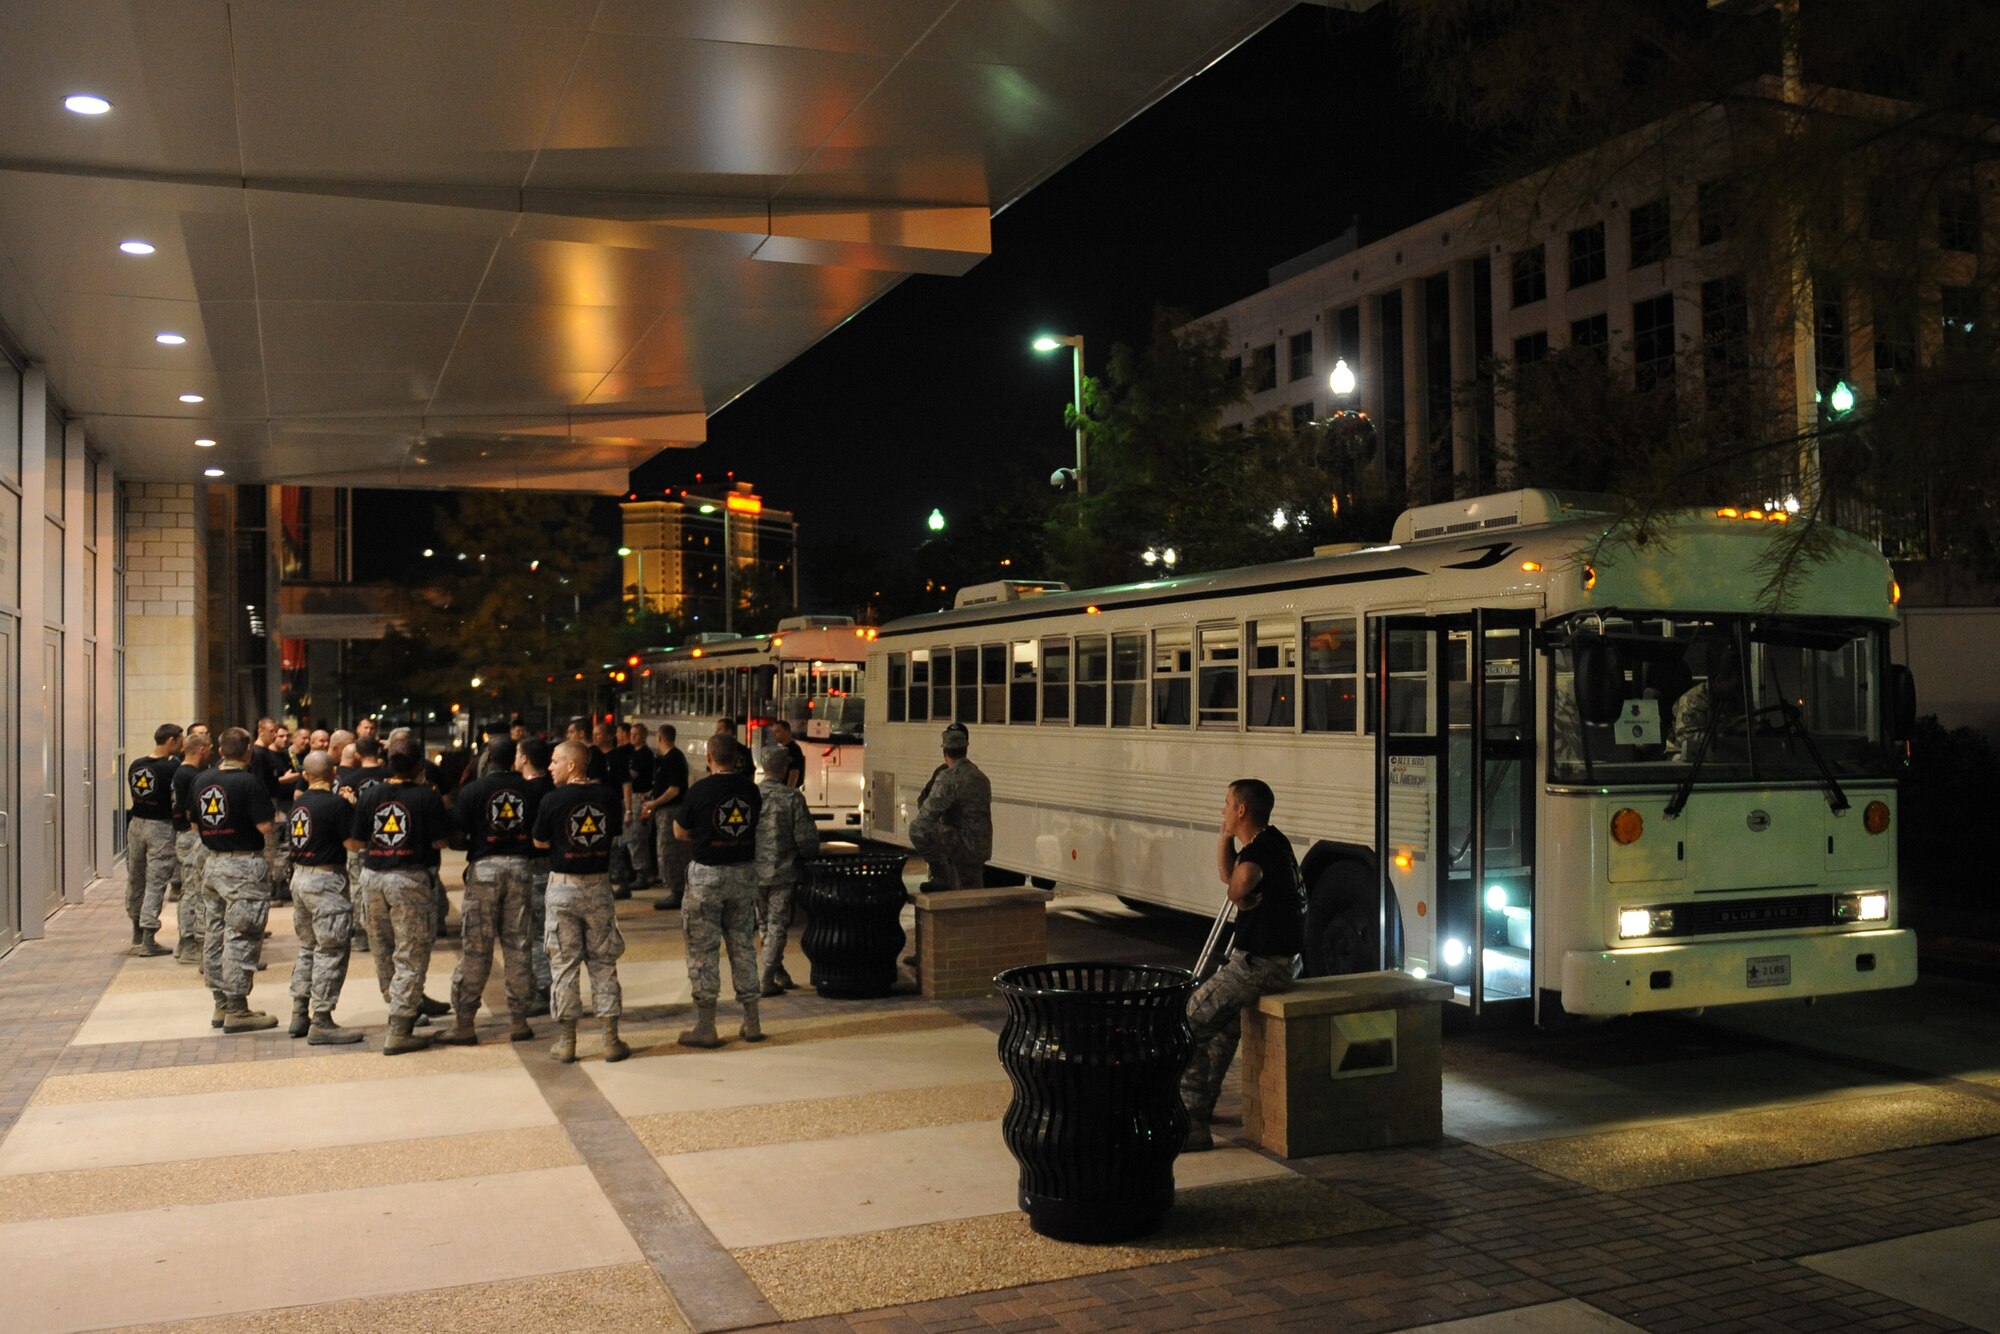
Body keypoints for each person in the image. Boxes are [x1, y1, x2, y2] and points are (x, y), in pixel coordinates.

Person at [1179, 778, 1303, 1151]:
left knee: (1188, 1022)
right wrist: (1224, 836)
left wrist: (1238, 893)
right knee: (1222, 1027)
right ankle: (1203, 1107)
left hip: (1259, 966)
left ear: (1242, 810)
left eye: (1226, 804)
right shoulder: (1272, 841)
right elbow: (1228, 874)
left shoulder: (1260, 853)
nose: (1223, 809)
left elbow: (1240, 880)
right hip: (1278, 963)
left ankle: (1191, 1124)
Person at [346, 740, 452, 1055]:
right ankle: (400, 1027)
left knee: (383, 947)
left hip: (372, 877)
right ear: (420, 765)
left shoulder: (370, 794)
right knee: (411, 951)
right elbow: (441, 841)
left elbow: (355, 842)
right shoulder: (427, 797)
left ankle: (401, 1003)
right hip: (409, 880)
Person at [531, 740, 628, 1063]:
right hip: (599, 887)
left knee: (564, 966)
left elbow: (539, 839)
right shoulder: (608, 798)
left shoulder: (551, 800)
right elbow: (613, 832)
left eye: (556, 761)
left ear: (572, 765)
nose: (550, 766)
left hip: (563, 888)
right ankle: (611, 1040)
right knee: (604, 962)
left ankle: (567, 1041)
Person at [442, 738, 540, 1045]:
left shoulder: (472, 791)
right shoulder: (532, 790)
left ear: (487, 757)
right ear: (515, 759)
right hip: (522, 869)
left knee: (477, 947)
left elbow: (456, 836)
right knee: (518, 944)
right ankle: (519, 1020)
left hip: (484, 869)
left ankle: (464, 1023)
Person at [675, 733, 764, 1047]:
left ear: (709, 757)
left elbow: (680, 831)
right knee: (743, 947)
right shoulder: (750, 790)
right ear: (737, 759)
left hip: (707, 877)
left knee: (703, 952)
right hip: (743, 874)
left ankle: (706, 1026)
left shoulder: (700, 790)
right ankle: (752, 1021)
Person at [193, 729, 280, 1033]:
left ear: (219, 749)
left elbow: (194, 823)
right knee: (242, 935)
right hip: (242, 865)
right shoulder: (248, 782)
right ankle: (238, 1009)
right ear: (247, 753)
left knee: (215, 933)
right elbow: (265, 825)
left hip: (213, 863)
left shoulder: (201, 780)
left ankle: (221, 1004)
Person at [285, 752, 365, 1044]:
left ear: (305, 775)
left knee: (308, 947)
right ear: (333, 773)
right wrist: (352, 809)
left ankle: (299, 1012)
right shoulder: (335, 805)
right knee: (331, 949)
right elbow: (353, 844)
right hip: (326, 882)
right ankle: (322, 1019)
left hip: (300, 878)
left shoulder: (299, 803)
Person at [753, 745, 818, 997]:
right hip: (782, 871)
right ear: (784, 768)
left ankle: (778, 971)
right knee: (778, 924)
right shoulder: (792, 798)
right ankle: (767, 978)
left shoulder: (751, 796)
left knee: (764, 923)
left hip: (754, 872)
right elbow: (806, 839)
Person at [908, 722, 992, 890]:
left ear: (945, 752)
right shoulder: (981, 777)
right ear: (966, 748)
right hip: (981, 847)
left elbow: (925, 815)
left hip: (960, 845)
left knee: (916, 828)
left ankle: (940, 875)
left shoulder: (948, 777)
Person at [124, 723, 183, 957]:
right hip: (160, 826)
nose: (181, 745)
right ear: (170, 741)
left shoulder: (136, 765)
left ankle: (136, 929)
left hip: (136, 823)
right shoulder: (171, 769)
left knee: (135, 877)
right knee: (157, 880)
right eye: (179, 741)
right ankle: (149, 936)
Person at [517, 738, 557, 1015]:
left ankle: (543, 988)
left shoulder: (525, 792)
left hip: (533, 866)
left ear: (524, 759)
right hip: (554, 867)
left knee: (535, 932)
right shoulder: (555, 790)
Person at [169, 733, 213, 965]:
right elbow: (190, 811)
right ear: (202, 749)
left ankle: (187, 940)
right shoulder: (189, 775)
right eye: (209, 748)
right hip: (189, 835)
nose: (211, 752)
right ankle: (188, 942)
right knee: (192, 891)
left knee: (192, 890)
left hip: (187, 834)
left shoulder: (183, 772)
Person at [644, 723, 691, 911]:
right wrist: (652, 793)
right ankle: (674, 887)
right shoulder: (667, 759)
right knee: (664, 850)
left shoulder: (673, 759)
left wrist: (654, 803)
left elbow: (674, 789)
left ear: (660, 738)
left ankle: (677, 889)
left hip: (670, 811)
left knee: (670, 851)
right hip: (665, 810)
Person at [624, 721, 658, 889]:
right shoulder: (632, 753)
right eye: (631, 734)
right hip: (633, 796)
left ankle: (642, 872)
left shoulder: (644, 754)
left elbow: (631, 775)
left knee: (636, 835)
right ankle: (644, 870)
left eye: (636, 734)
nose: (632, 737)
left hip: (640, 797)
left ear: (644, 736)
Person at [769, 719, 806, 791]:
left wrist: (788, 791)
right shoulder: (782, 749)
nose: (774, 735)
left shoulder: (793, 749)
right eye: (773, 732)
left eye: (777, 731)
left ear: (787, 731)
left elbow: (794, 771)